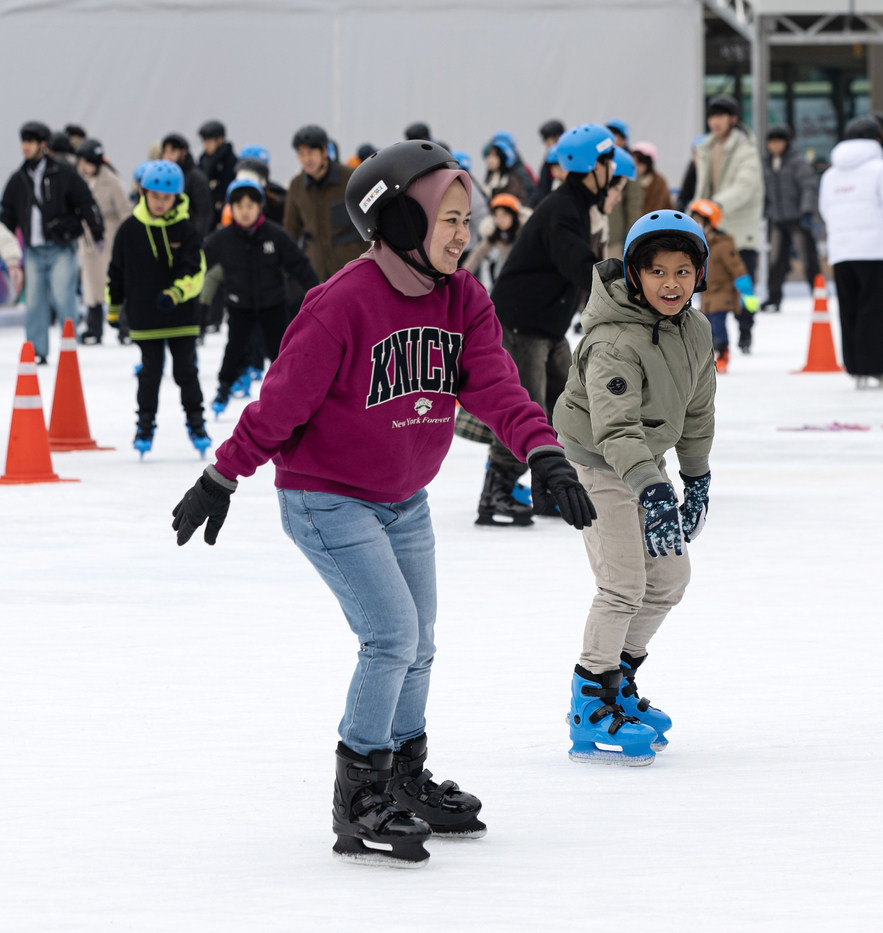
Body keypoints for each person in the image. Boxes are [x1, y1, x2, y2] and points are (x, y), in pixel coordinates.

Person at [168, 140, 595, 867]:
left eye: (467, 219)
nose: (467, 233)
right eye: (451, 219)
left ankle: (403, 773)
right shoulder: (341, 304)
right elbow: (279, 405)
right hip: (326, 497)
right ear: (401, 220)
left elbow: (496, 386)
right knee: (392, 635)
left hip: (404, 497)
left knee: (420, 642)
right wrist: (223, 474)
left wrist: (543, 450)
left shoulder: (463, 298)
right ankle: (358, 792)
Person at [552, 210, 716, 766]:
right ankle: (590, 704)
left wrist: (695, 477)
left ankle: (617, 677)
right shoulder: (613, 342)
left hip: (644, 463)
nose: (671, 284)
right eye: (657, 272)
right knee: (622, 582)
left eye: (683, 271)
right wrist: (651, 489)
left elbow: (698, 410)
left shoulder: (694, 330)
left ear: (699, 275)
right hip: (600, 464)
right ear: (634, 275)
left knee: (670, 574)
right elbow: (614, 429)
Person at [484, 123, 615, 525]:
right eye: (607, 164)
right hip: (522, 326)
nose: (611, 174)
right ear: (591, 167)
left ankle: (549, 488)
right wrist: (623, 283)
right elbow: (577, 263)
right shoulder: (562, 209)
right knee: (528, 407)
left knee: (568, 405)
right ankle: (496, 494)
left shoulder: (574, 207)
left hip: (547, 326)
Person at [105, 160, 208, 456]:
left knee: (186, 370)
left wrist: (176, 293)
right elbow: (117, 271)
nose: (161, 203)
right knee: (150, 372)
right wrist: (114, 308)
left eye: (167, 198)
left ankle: (197, 423)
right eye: (155, 196)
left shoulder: (185, 229)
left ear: (177, 197)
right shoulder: (129, 230)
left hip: (182, 316)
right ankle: (145, 427)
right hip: (145, 317)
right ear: (143, 192)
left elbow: (196, 271)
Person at [200, 178, 319, 416]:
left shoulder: (275, 235)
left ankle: (288, 393)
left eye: (250, 206)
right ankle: (223, 390)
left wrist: (319, 293)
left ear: (260, 206)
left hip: (272, 304)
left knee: (280, 351)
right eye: (239, 206)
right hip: (239, 306)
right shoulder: (222, 239)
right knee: (234, 349)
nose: (245, 212)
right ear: (230, 209)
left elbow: (300, 265)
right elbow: (197, 264)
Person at [817, 117, 883, 389]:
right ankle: (875, 367)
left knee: (849, 308)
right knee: (873, 309)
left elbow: (826, 210)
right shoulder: (882, 169)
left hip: (841, 251)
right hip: (872, 250)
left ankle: (855, 368)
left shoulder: (831, 174)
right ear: (876, 140)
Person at [1, 121, 104, 364]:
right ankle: (37, 349)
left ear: (43, 145)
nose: (25, 146)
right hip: (33, 250)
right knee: (35, 300)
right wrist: (7, 247)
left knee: (63, 296)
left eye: (31, 141)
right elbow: (7, 215)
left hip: (61, 247)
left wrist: (97, 231)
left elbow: (85, 201)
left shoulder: (64, 173)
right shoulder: (19, 178)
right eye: (23, 141)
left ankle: (70, 347)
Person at [693, 95, 764, 336]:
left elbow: (745, 187)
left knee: (743, 284)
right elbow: (700, 187)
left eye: (721, 116)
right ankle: (718, 338)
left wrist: (714, 205)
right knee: (714, 286)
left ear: (733, 119)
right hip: (711, 230)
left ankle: (746, 329)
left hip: (739, 230)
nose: (716, 121)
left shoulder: (746, 149)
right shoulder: (706, 147)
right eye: (712, 116)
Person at [283, 124, 360, 281]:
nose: (306, 159)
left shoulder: (350, 178)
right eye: (301, 154)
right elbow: (290, 230)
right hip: (316, 270)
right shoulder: (297, 186)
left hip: (352, 266)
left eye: (311, 153)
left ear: (324, 151)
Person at [687, 198, 757, 371]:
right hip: (708, 296)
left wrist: (747, 292)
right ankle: (710, 358)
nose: (696, 224)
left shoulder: (722, 245)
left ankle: (723, 353)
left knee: (717, 326)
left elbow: (737, 268)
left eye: (699, 220)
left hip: (723, 293)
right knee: (704, 329)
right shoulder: (699, 245)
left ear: (710, 223)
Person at [74, 139, 130, 344]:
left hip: (111, 239)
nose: (83, 167)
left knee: (115, 282)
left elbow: (125, 212)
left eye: (87, 162)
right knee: (91, 286)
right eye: (80, 162)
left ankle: (125, 326)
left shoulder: (112, 181)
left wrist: (128, 239)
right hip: (88, 241)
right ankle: (93, 328)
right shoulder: (79, 180)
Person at [762, 123, 819, 312]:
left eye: (779, 141)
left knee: (808, 257)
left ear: (787, 142)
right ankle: (773, 298)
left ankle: (818, 295)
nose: (775, 146)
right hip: (777, 219)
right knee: (775, 259)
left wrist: (807, 211)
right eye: (771, 142)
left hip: (797, 218)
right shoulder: (766, 162)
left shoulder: (797, 162)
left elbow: (808, 186)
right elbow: (763, 190)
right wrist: (764, 211)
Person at [463, 192, 531, 289]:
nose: (500, 220)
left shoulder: (525, 233)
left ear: (514, 215)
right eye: (497, 216)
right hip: (505, 278)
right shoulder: (496, 234)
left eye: (504, 215)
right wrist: (465, 273)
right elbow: (477, 254)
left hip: (524, 279)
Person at [160, 133, 214, 237]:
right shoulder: (160, 177)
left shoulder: (196, 178)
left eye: (172, 152)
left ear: (184, 152)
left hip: (188, 236)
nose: (167, 156)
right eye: (165, 152)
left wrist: (195, 240)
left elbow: (204, 214)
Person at [198, 120, 238, 211]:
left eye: (209, 141)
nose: (205, 145)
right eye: (204, 141)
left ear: (220, 140)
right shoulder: (203, 159)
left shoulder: (231, 161)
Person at [481, 136, 527, 202]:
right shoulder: (489, 178)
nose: (490, 160)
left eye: (494, 155)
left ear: (502, 158)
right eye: (488, 156)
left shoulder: (512, 179)